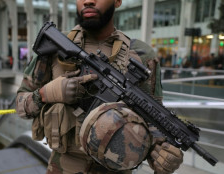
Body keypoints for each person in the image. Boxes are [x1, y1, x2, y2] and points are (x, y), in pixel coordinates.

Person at [16, 0, 183, 173]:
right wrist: (46, 93)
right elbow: (21, 106)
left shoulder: (141, 55)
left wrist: (160, 154)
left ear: (118, 1)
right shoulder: (56, 44)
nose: (88, 0)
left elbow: (153, 118)